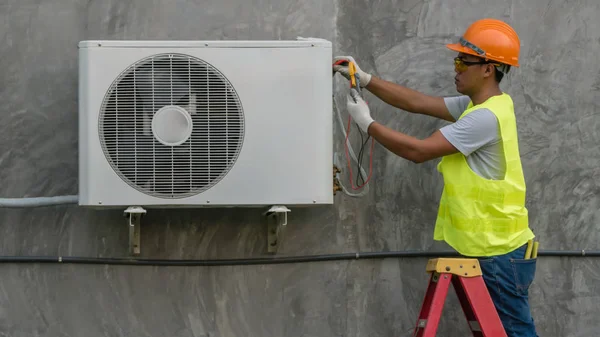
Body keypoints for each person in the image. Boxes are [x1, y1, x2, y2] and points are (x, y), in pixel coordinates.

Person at [333, 18, 538, 337]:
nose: (455, 68)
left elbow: (419, 151)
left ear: (488, 68)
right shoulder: (486, 105)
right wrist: (366, 79)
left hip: (499, 253)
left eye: (463, 61)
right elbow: (417, 102)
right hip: (499, 249)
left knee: (515, 333)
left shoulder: (483, 118)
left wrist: (367, 125)